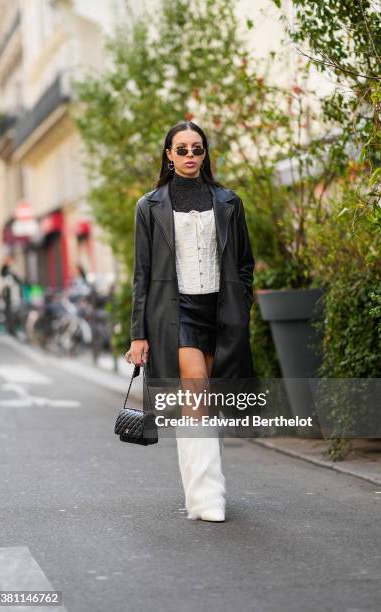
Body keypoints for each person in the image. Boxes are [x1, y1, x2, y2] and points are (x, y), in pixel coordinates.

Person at [125, 120, 255, 522]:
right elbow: (141, 274)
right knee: (196, 393)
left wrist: (241, 300)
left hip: (219, 310)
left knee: (203, 404)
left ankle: (203, 492)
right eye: (181, 150)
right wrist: (138, 334)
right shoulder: (149, 206)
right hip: (175, 310)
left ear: (205, 153)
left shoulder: (228, 202)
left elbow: (245, 263)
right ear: (168, 155)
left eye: (196, 149)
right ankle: (207, 499)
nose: (189, 157)